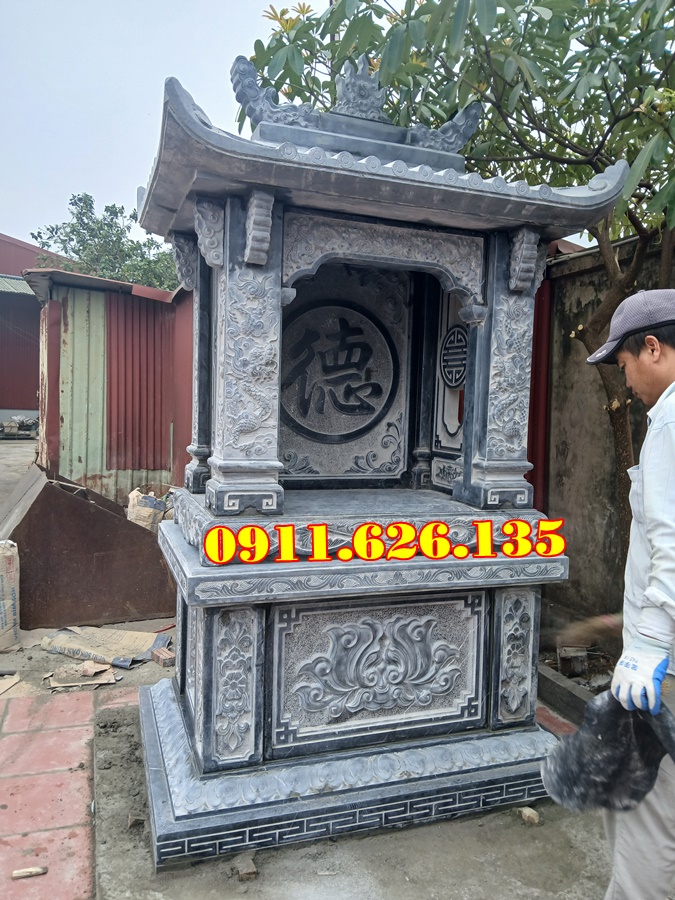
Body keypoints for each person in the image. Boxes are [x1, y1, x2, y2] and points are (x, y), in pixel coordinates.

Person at [587, 288, 675, 900]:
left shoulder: (669, 421)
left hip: (665, 663)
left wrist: (646, 644)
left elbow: (671, 542)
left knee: (644, 803)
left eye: (624, 367)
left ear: (652, 348)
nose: (627, 384)